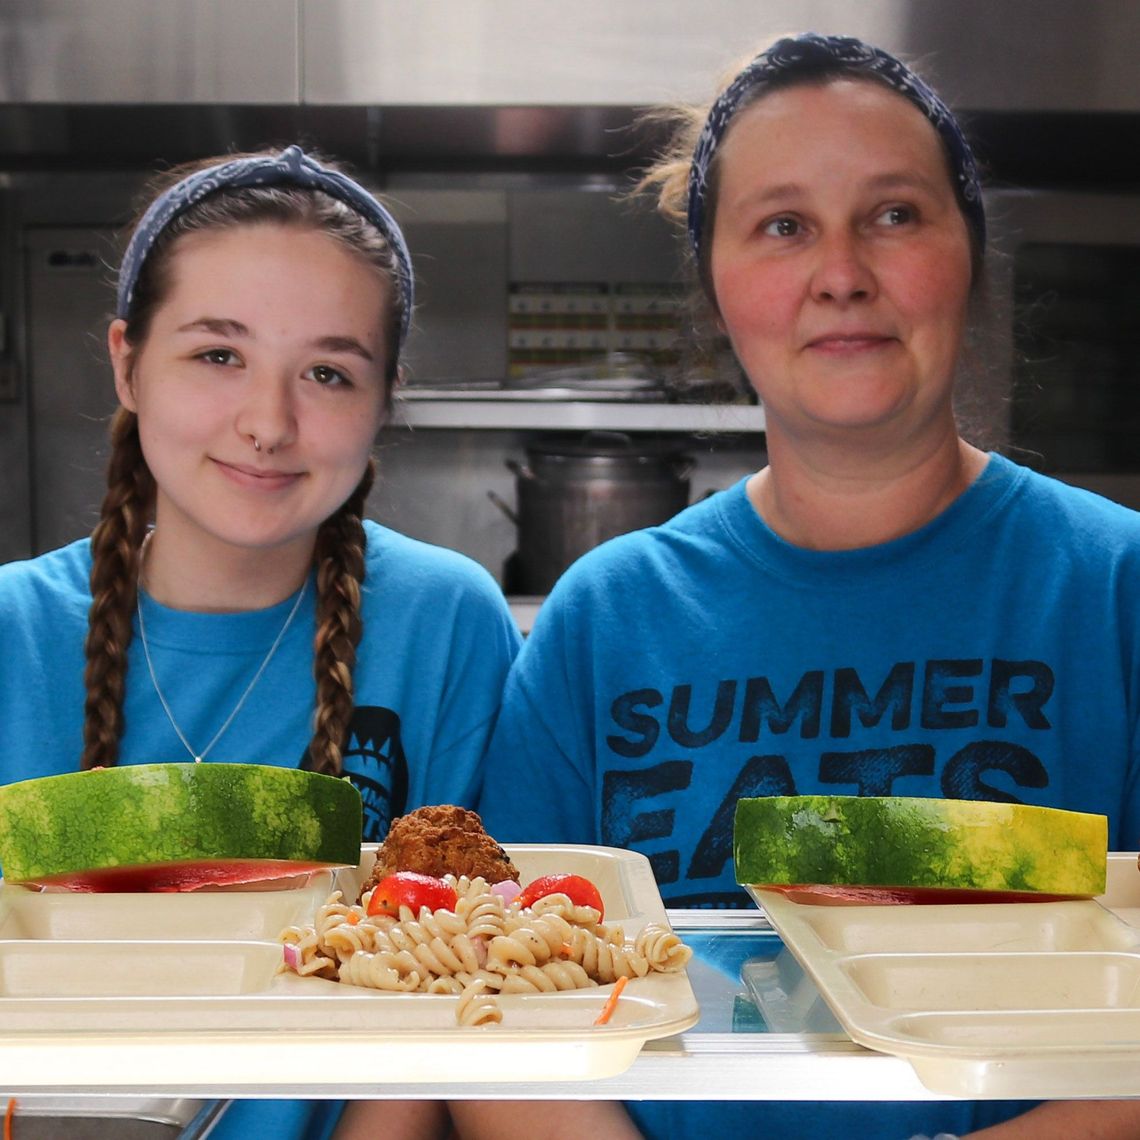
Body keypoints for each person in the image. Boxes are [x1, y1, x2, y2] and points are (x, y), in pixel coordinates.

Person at [478, 32, 1140, 1140]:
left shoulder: (1117, 589)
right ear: (719, 282)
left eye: (893, 214)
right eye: (784, 226)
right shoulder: (603, 622)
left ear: (967, 251)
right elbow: (501, 1020)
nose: (842, 272)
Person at [0, 146, 521, 1140]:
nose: (268, 423)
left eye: (327, 372)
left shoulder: (445, 625)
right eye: (218, 355)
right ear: (126, 361)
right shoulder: (11, 633)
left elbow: (442, 1021)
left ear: (383, 400)